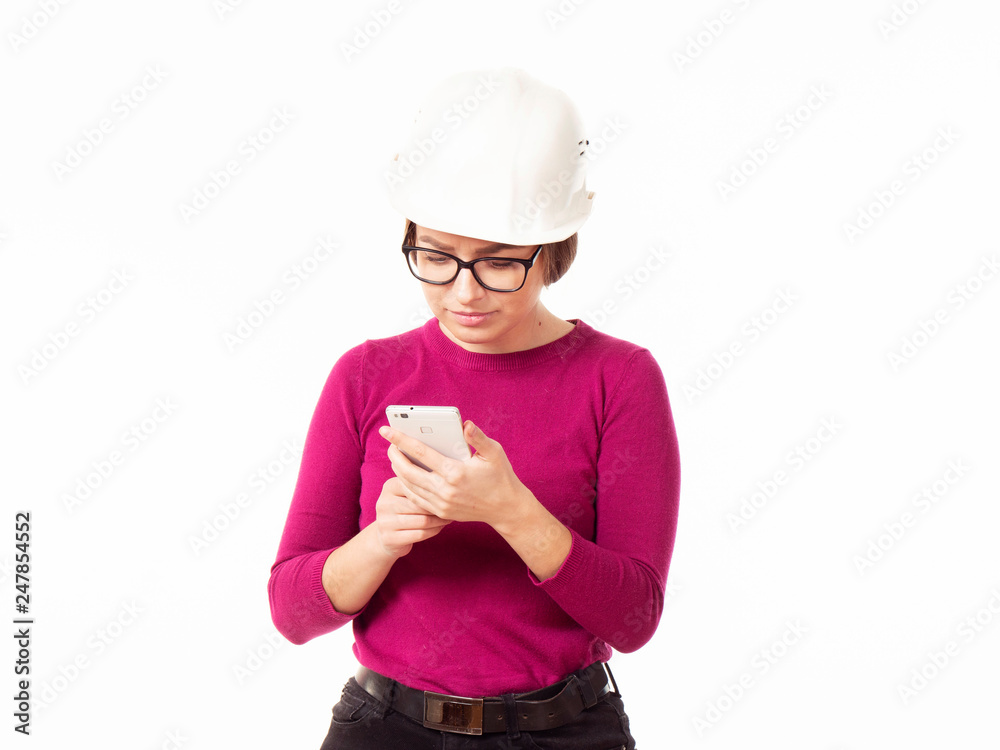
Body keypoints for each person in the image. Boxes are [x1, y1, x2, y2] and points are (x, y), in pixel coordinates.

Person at [267, 66, 681, 749]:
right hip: (386, 730)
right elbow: (292, 612)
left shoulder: (620, 379)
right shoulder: (366, 374)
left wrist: (511, 510)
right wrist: (383, 537)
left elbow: (634, 619)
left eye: (497, 263)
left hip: (565, 732)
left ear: (552, 249)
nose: (464, 293)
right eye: (436, 257)